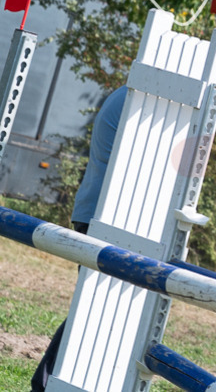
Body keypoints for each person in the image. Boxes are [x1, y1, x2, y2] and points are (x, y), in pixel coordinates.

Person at [32, 85, 128, 391]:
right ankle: (44, 384)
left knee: (94, 308)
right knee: (92, 309)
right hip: (106, 217)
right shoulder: (139, 99)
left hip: (99, 212)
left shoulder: (128, 94)